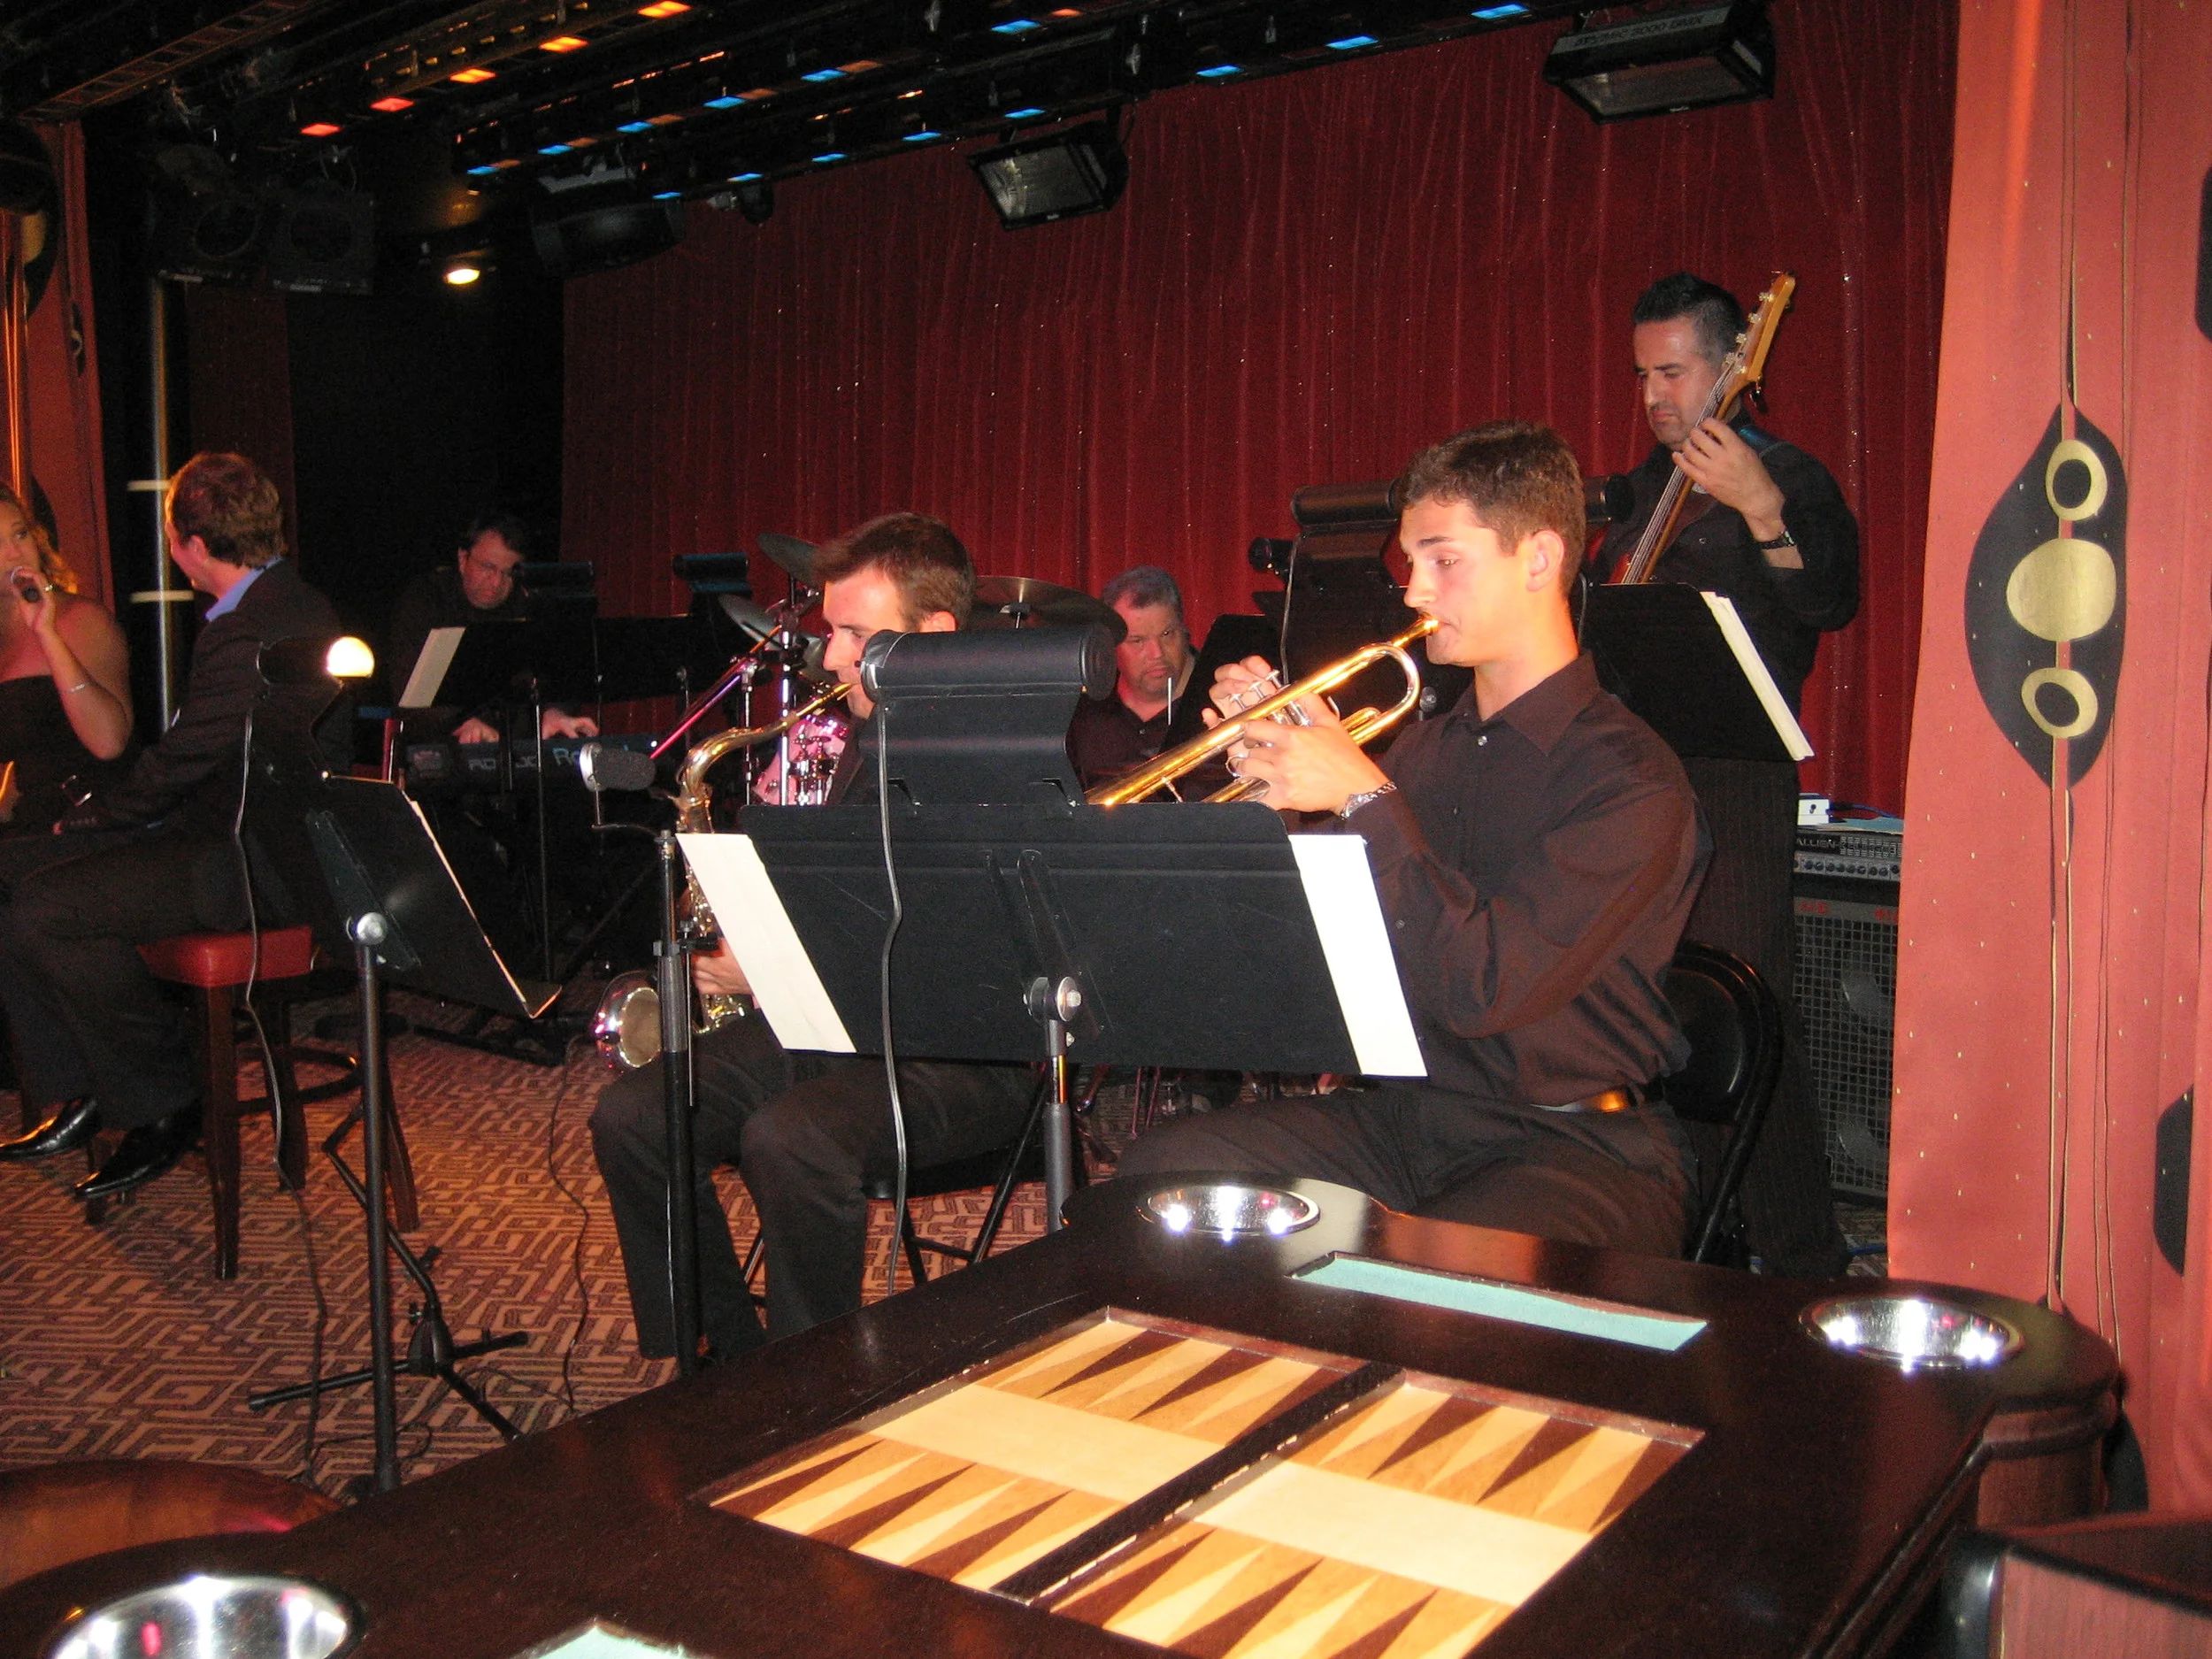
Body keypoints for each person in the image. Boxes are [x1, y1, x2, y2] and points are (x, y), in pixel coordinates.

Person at [1115, 422, 1709, 1257]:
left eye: (1443, 559)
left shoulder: (1632, 782)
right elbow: (1331, 943)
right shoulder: (1422, 749)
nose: (1415, 593)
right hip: (1405, 1116)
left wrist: (1360, 792)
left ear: (1538, 559)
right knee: (1165, 1174)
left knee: (1434, 1284)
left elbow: (1485, 986)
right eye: (1411, 563)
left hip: (1576, 1145)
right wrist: (1272, 799)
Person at [589, 512, 1037, 1361]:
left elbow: (975, 952)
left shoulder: (1006, 748)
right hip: (838, 1025)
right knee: (634, 1118)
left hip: (968, 1056)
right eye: (834, 630)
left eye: (853, 633)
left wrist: (774, 968)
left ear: (933, 636)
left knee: (791, 1137)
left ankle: (807, 1380)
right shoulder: (868, 734)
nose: (829, 656)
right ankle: (722, 1352)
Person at [1595, 272, 1860, 1277]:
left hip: (1738, 773)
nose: (1656, 394)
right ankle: (1705, 1233)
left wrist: (1759, 508)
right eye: (1641, 374)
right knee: (1664, 1014)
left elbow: (1828, 597)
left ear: (1733, 365)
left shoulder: (1786, 473)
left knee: (1745, 1003)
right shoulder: (1636, 498)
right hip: (1641, 782)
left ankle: (1802, 1258)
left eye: (1675, 370)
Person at [0, 453, 342, 1199]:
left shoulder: (255, 626)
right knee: (13, 875)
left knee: (46, 909)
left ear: (188, 545)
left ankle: (163, 1098)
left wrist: (92, 818)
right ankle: (93, 1083)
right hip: (215, 834)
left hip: (249, 863)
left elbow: (186, 760)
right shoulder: (273, 605)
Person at [386, 511, 598, 744]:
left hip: (516, 750)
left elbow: (557, 670)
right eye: (487, 567)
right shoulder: (426, 600)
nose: (497, 582)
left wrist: (553, 712)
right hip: (433, 746)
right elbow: (408, 687)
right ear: (462, 559)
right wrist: (460, 722)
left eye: (508, 573)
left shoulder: (528, 606)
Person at [0, 485, 134, 836]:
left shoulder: (81, 621)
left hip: (85, 822)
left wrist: (46, 634)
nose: (15, 552)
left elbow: (108, 742)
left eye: (21, 534)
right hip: (29, 824)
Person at [1066, 565, 1198, 787]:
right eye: (1138, 641)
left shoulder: (1226, 697)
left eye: (1167, 634)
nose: (1157, 653)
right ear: (1111, 644)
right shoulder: (1082, 712)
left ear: (1183, 629)